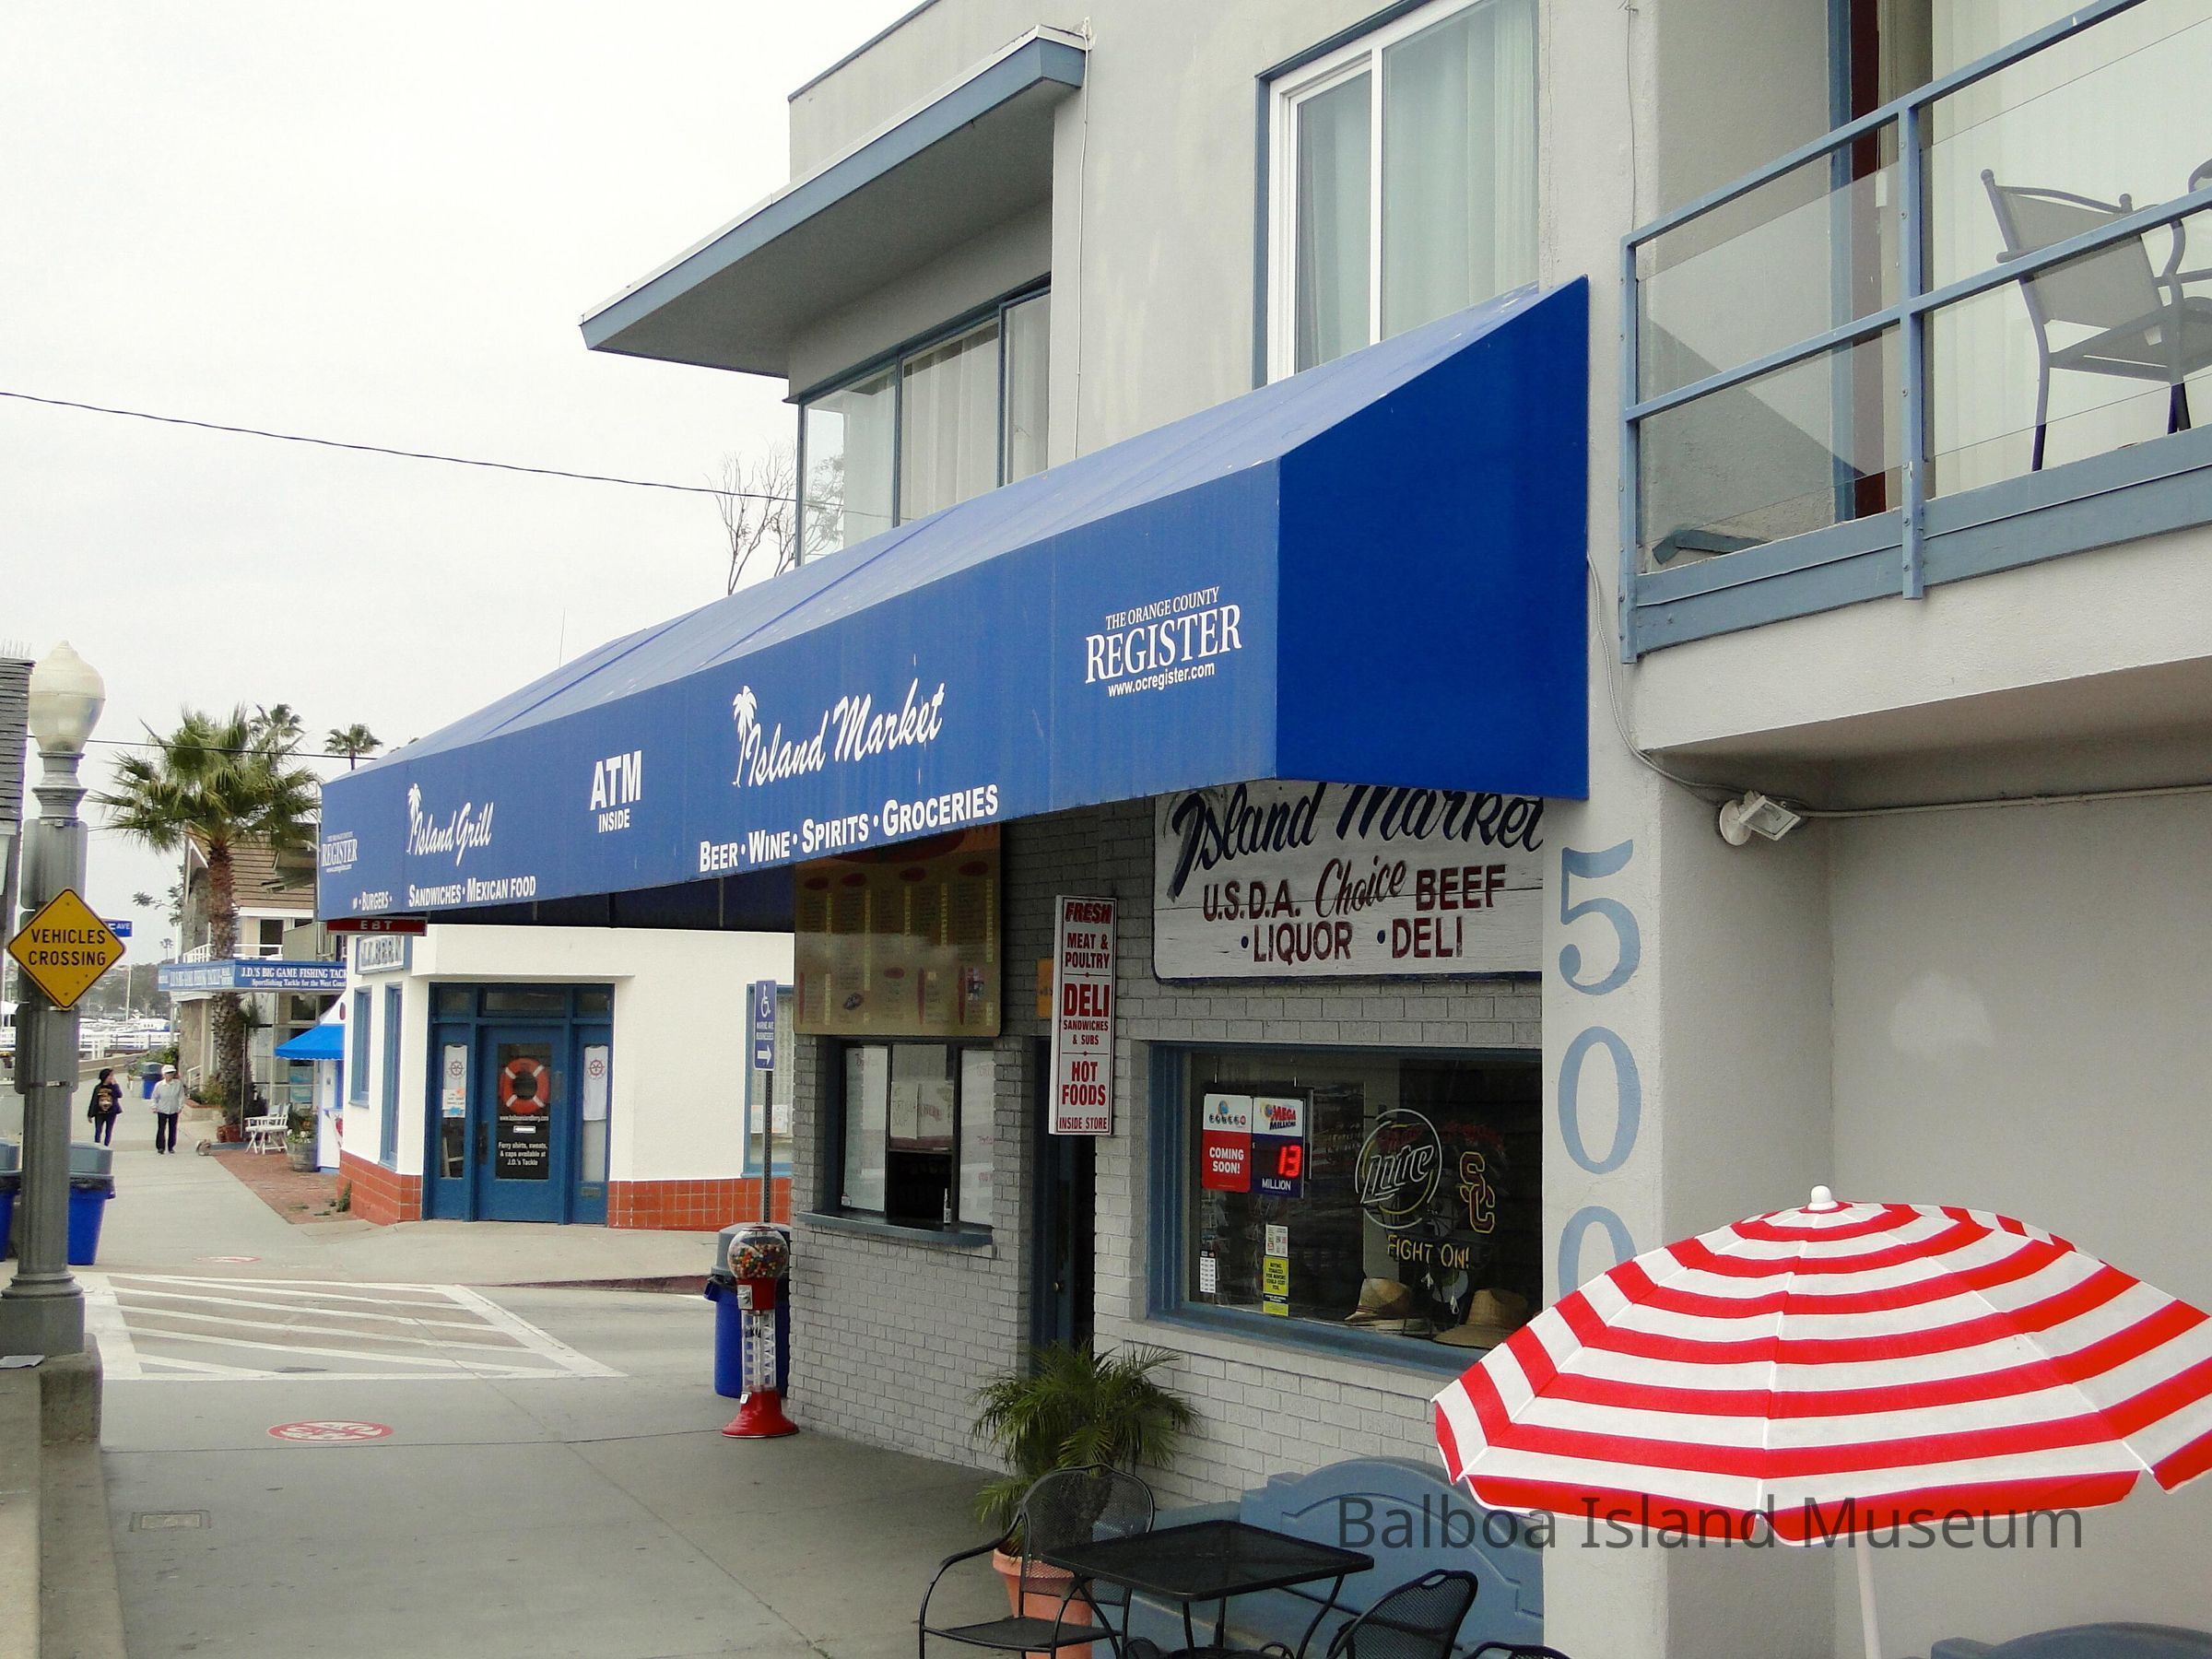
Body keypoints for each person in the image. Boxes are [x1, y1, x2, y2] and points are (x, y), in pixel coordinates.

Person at [150, 1065, 186, 1155]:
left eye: (171, 1073)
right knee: (161, 1128)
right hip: (162, 1109)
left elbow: (181, 1096)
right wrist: (154, 1106)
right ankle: (160, 1147)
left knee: (172, 1128)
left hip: (173, 1109)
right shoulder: (159, 1085)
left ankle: (171, 1146)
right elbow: (154, 1097)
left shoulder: (178, 1084)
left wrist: (180, 1107)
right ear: (164, 1075)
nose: (170, 1075)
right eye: (168, 1073)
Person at [87, 1066, 124, 1146]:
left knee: (108, 1130)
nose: (111, 1078)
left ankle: (106, 1145)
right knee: (98, 1130)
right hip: (99, 1112)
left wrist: (115, 1085)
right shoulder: (98, 1088)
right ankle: (97, 1145)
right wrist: (90, 1114)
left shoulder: (113, 1087)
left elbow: (119, 1095)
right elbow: (94, 1101)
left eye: (112, 1076)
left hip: (111, 1112)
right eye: (110, 1076)